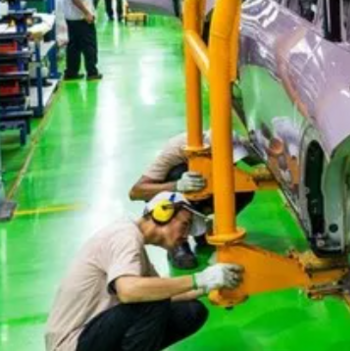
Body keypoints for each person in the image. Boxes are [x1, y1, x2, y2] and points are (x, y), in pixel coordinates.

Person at [44, 192, 243, 351]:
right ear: (162, 212)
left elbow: (168, 293)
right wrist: (199, 278)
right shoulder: (125, 236)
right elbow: (129, 291)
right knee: (151, 300)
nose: (186, 236)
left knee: (191, 311)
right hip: (72, 344)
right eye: (185, 225)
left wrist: (211, 282)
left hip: (94, 334)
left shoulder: (134, 246)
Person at [128, 131, 255, 269]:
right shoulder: (176, 149)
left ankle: (205, 229)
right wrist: (177, 186)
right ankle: (177, 243)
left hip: (206, 185)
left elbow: (257, 164)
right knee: (179, 172)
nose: (231, 162)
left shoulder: (236, 141)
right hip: (178, 193)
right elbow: (136, 192)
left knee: (244, 187)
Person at [63, 0, 101, 81]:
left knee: (74, 46)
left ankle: (71, 72)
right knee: (89, 45)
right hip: (81, 18)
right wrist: (87, 13)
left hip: (73, 18)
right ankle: (92, 72)